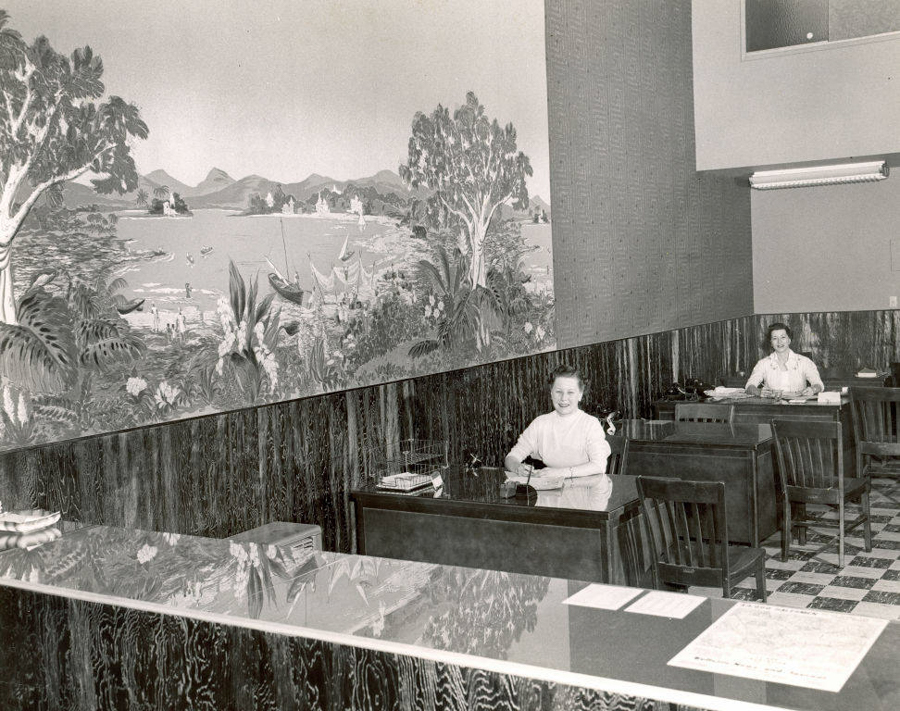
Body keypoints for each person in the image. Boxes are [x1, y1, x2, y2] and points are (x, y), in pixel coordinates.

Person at [504, 364, 611, 479]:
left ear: (580, 395)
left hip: (586, 489)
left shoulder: (590, 424)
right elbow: (512, 457)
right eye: (558, 392)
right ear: (551, 393)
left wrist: (560, 473)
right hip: (552, 490)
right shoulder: (540, 423)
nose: (563, 398)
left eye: (570, 392)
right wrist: (517, 467)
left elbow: (599, 465)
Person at [745, 322, 824, 398]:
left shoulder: (804, 361)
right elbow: (749, 386)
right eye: (775, 338)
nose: (779, 342)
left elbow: (819, 384)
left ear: (789, 340)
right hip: (771, 407)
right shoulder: (763, 363)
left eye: (783, 337)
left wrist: (812, 389)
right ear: (771, 343)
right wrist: (758, 392)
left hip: (798, 407)